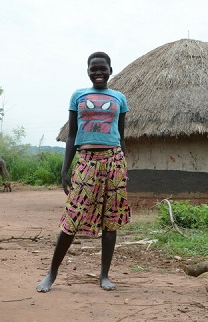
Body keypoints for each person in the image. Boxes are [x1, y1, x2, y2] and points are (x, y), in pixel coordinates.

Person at [37, 52, 131, 292]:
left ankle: (104, 275)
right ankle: (52, 273)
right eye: (93, 69)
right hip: (86, 160)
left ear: (111, 69)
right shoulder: (78, 96)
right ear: (87, 70)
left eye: (103, 68)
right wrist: (64, 169)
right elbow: (71, 135)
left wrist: (124, 165)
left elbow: (120, 135)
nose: (98, 73)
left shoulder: (119, 98)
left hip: (114, 160)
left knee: (111, 221)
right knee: (72, 218)